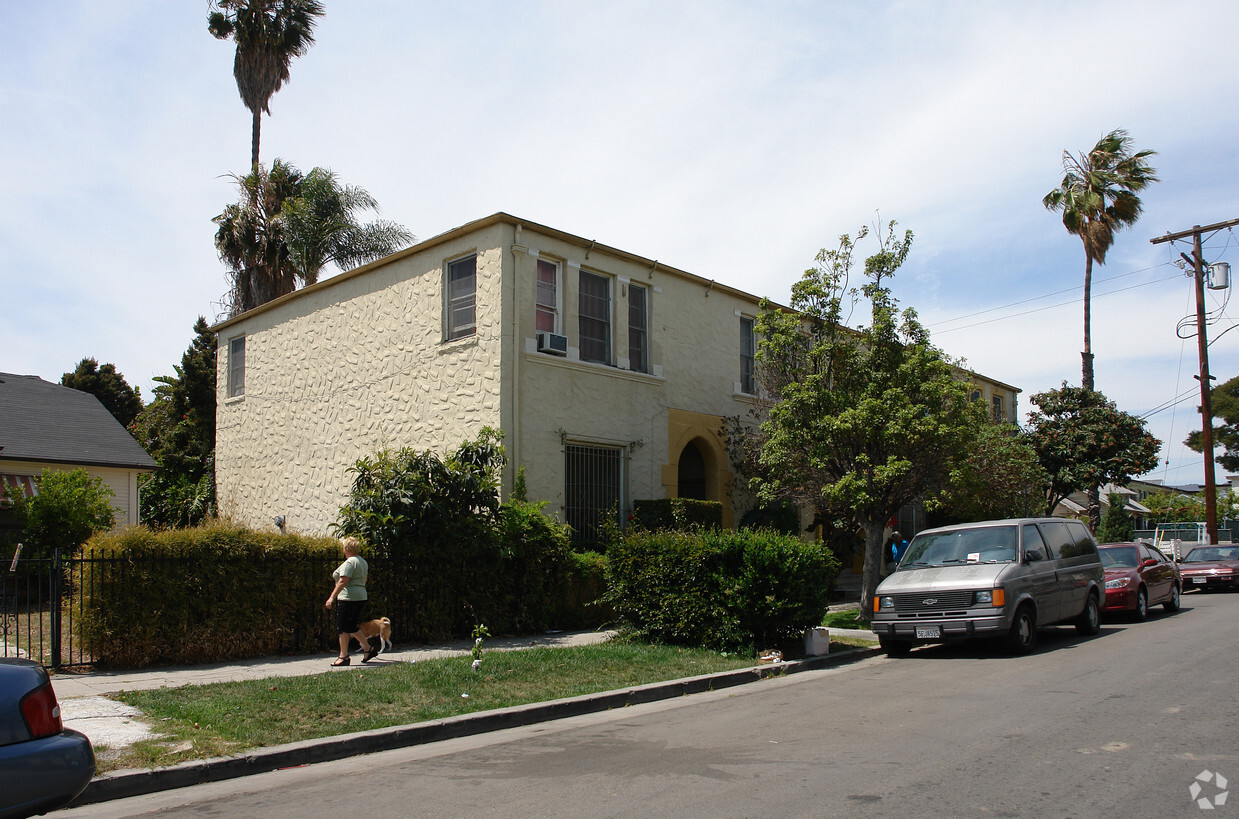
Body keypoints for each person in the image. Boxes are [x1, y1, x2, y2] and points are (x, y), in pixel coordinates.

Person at [325, 536, 376, 666]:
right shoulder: (362, 562)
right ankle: (367, 648)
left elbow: (343, 581)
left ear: (346, 548)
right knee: (351, 625)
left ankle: (343, 656)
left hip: (348, 598)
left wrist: (332, 597)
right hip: (360, 596)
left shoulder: (350, 562)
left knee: (342, 627)